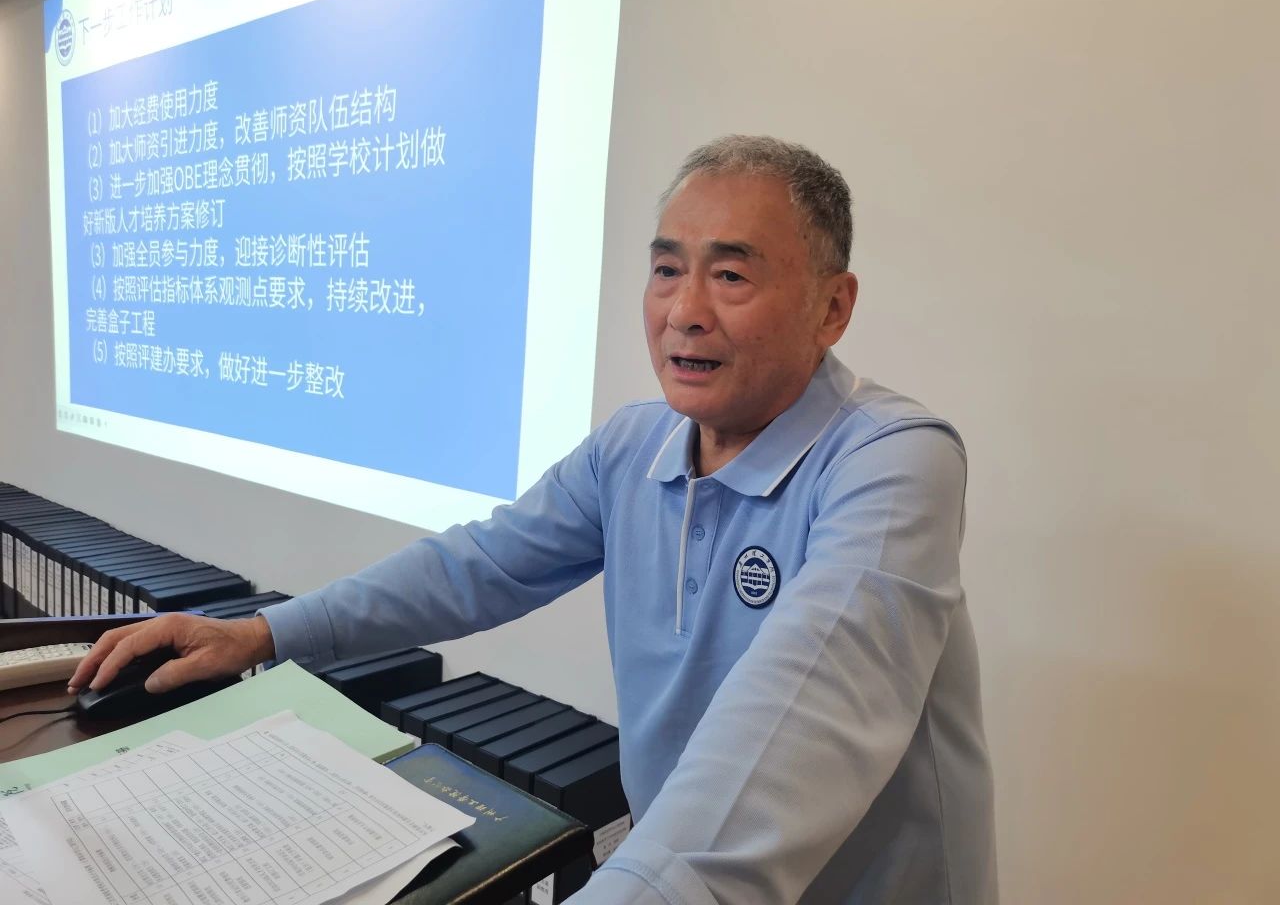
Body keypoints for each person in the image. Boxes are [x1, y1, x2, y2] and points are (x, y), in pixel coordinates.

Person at [70, 135, 997, 903]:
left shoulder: (893, 460)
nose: (684, 311)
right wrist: (263, 634)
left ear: (832, 307)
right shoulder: (634, 445)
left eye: (730, 275)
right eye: (666, 270)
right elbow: (478, 567)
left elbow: (798, 720)